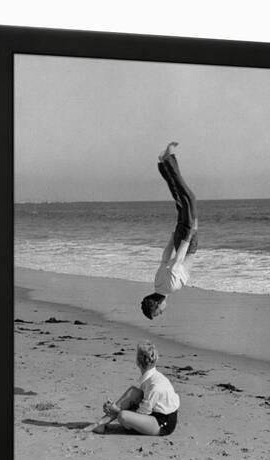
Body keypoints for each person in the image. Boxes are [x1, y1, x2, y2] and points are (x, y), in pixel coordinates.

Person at [141, 142, 198, 320]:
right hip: (178, 240)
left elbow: (177, 262)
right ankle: (164, 164)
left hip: (187, 245)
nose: (162, 311)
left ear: (157, 304)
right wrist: (173, 237)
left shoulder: (170, 288)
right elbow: (165, 257)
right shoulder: (157, 283)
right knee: (180, 200)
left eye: (159, 311)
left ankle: (168, 159)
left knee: (189, 198)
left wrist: (189, 235)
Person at [90, 342, 180, 436]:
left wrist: (116, 410)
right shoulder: (153, 376)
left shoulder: (155, 386)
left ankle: (111, 416)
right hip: (153, 411)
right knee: (133, 391)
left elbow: (143, 413)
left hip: (163, 423)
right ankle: (100, 424)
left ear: (138, 362)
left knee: (123, 416)